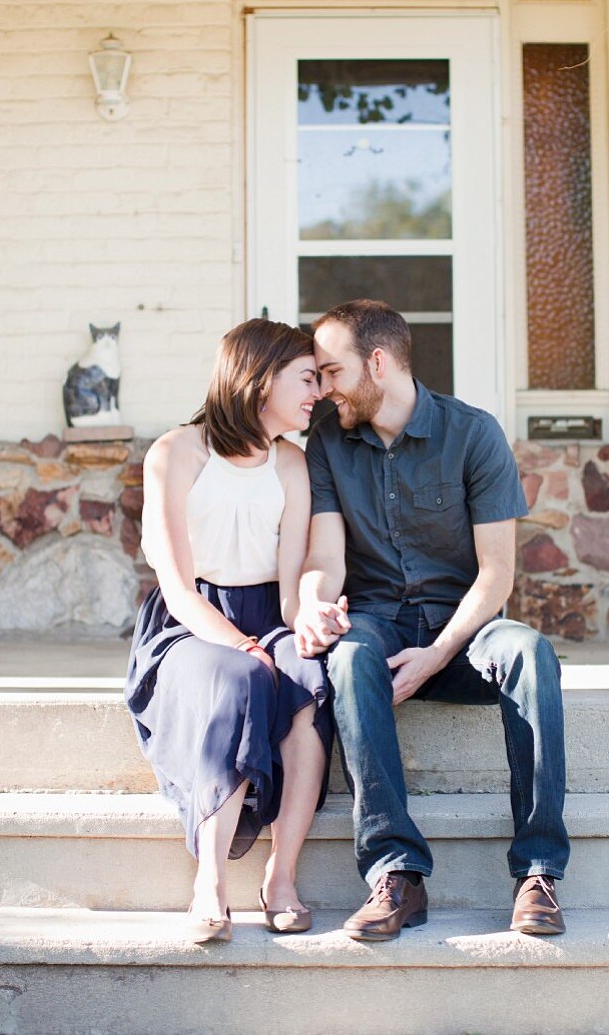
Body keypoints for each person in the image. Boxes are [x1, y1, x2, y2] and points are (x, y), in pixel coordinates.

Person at [295, 299, 569, 941]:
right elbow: (325, 556)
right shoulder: (328, 442)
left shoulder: (473, 434)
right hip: (379, 629)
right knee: (348, 655)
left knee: (531, 651)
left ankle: (538, 874)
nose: (323, 390)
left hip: (465, 635)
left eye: (332, 372)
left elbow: (496, 575)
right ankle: (396, 874)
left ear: (379, 363)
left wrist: (437, 656)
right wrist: (313, 600)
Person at [125, 319, 333, 943]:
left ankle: (282, 877)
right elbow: (179, 587)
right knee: (242, 676)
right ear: (261, 377)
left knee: (309, 676)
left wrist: (314, 621)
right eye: (306, 378)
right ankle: (209, 881)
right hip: (189, 626)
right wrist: (241, 644)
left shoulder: (292, 463)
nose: (317, 393)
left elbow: (293, 586)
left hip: (269, 614)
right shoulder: (176, 452)